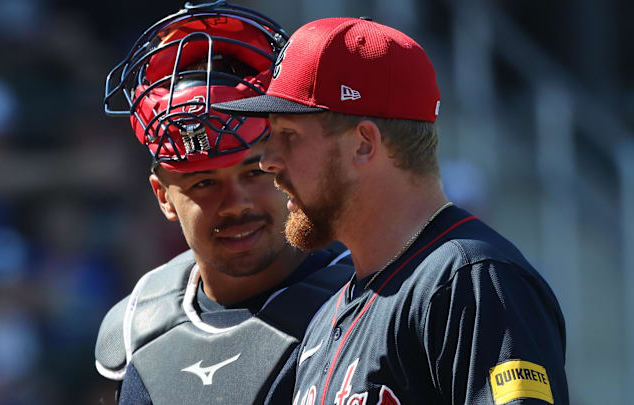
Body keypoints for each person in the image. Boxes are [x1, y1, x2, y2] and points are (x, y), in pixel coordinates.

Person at [213, 17, 569, 405]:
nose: (267, 161)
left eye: (289, 135)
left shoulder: (471, 281)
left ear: (364, 144)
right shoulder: (326, 319)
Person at [94, 3, 352, 404]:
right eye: (204, 183)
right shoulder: (136, 333)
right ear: (164, 196)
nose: (235, 203)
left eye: (256, 172)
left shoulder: (373, 302)